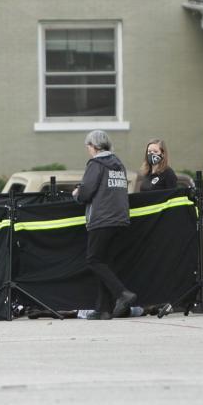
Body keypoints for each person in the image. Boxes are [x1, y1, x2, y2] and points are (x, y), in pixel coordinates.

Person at [73, 130, 137, 320]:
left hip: (102, 219)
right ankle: (104, 309)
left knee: (93, 260)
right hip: (120, 219)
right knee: (105, 263)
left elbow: (86, 193)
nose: (88, 150)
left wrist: (77, 193)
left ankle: (123, 294)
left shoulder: (96, 164)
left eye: (88, 147)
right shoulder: (118, 164)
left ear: (94, 146)